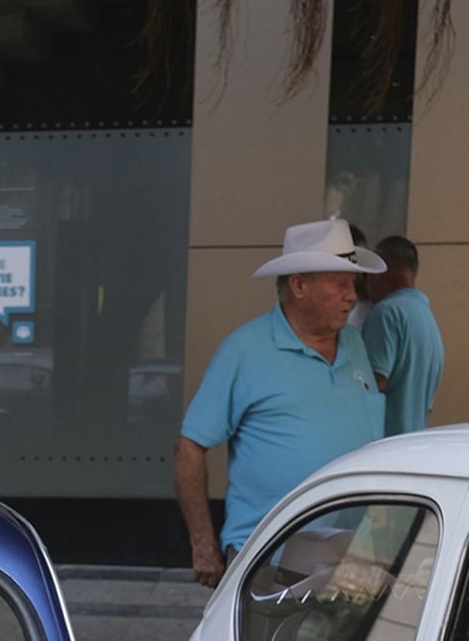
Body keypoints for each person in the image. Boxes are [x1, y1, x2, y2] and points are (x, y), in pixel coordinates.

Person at [174, 216, 387, 587]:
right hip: (269, 560)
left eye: (352, 282)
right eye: (340, 283)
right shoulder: (244, 350)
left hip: (355, 559)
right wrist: (203, 545)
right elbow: (189, 449)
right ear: (299, 285)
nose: (352, 295)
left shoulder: (354, 344)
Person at [363, 235, 445, 436]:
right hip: (412, 441)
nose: (367, 280)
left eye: (371, 273)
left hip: (382, 442)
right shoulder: (426, 316)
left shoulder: (386, 313)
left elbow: (372, 383)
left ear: (384, 269)